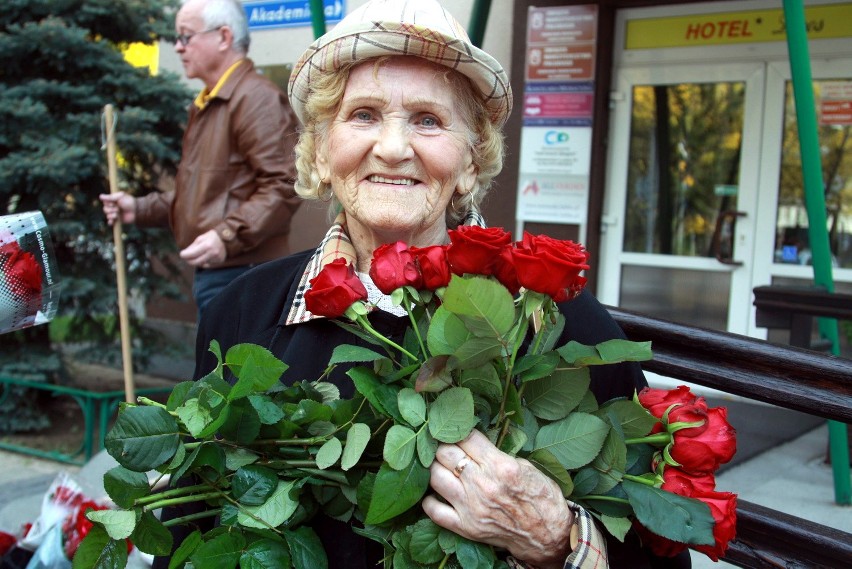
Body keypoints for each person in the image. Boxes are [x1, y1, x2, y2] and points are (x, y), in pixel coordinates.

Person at [180, 1, 693, 568]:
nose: (395, 148)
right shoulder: (242, 312)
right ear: (323, 153)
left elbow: (658, 556)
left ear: (471, 164)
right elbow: (190, 526)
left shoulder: (557, 325)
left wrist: (553, 538)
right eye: (363, 115)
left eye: (428, 120)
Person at [99, 0, 301, 318]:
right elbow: (202, 196)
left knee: (234, 368)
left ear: (223, 37)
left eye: (185, 36)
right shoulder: (209, 102)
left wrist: (226, 236)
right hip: (227, 272)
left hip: (245, 275)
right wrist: (137, 208)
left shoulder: (255, 99)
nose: (178, 47)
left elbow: (285, 184)